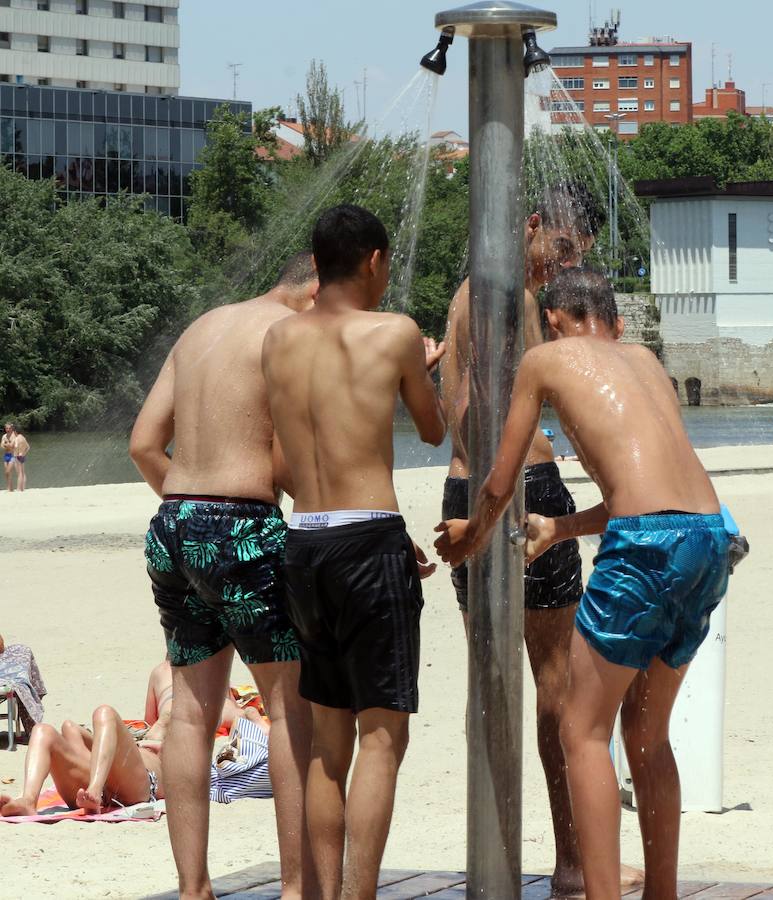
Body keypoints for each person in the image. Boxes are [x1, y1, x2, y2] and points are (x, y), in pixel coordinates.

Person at [435, 267, 729, 900]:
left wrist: (471, 537)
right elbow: (648, 496)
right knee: (647, 736)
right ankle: (663, 895)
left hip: (648, 544)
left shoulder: (544, 359)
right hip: (708, 536)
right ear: (615, 322)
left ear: (555, 321)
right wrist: (563, 526)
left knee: (581, 730)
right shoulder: (645, 360)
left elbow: (497, 481)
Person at [262, 204, 446, 900]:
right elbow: (433, 430)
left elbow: (283, 455)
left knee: (326, 745)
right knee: (382, 737)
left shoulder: (277, 340)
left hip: (304, 541)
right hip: (368, 539)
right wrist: (427, 369)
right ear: (372, 260)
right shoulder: (395, 332)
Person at [439, 183, 615, 895]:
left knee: (490, 682)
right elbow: (483, 407)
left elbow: (461, 403)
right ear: (534, 224)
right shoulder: (505, 291)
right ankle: (572, 864)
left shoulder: (470, 291)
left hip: (465, 491)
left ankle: (495, 858)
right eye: (564, 249)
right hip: (519, 494)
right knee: (556, 684)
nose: (565, 267)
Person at [129, 252, 319, 900]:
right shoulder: (286, 335)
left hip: (172, 525)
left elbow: (143, 444)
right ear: (316, 289)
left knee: (189, 711)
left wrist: (193, 509)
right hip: (241, 527)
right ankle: (297, 889)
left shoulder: (202, 327)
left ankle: (193, 889)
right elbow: (286, 462)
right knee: (290, 708)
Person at [0, 704, 164, 817]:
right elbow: (148, 720)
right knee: (43, 730)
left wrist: (153, 744)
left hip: (139, 787)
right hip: (99, 784)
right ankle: (28, 801)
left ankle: (94, 790)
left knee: (104, 712)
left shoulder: (174, 744)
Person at [13, 426, 30, 492]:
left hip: (17, 456)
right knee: (23, 473)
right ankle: (23, 488)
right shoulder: (23, 438)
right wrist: (23, 453)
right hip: (22, 456)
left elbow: (16, 446)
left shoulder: (17, 438)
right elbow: (28, 447)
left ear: (15, 431)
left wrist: (15, 451)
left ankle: (18, 488)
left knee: (19, 473)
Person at [2, 423, 16, 492]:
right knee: (6, 473)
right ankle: (10, 488)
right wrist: (7, 444)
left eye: (9, 428)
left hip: (12, 456)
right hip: (6, 456)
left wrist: (6, 444)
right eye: (6, 428)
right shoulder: (4, 436)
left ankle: (10, 488)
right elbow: (1, 446)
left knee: (8, 471)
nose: (8, 430)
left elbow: (11, 446)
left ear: (12, 428)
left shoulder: (14, 436)